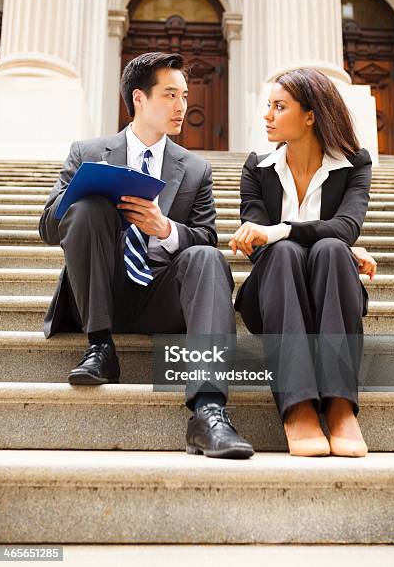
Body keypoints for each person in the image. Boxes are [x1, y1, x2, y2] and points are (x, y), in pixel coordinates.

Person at [38, 51, 254, 460]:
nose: (182, 105)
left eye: (185, 95)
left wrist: (166, 229)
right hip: (99, 292)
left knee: (207, 258)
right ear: (139, 98)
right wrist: (87, 190)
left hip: (163, 296)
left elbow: (208, 236)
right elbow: (48, 227)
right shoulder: (87, 151)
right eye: (170, 95)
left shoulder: (194, 169)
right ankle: (100, 348)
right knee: (87, 208)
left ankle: (208, 412)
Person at [230, 67, 377, 458]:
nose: (268, 115)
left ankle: (340, 404)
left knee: (331, 250)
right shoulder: (257, 168)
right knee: (284, 252)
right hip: (274, 294)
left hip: (332, 288)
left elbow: (345, 227)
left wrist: (283, 230)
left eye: (280, 107)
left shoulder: (354, 165)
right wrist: (321, 240)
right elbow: (261, 245)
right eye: (269, 106)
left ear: (310, 115)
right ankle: (297, 406)